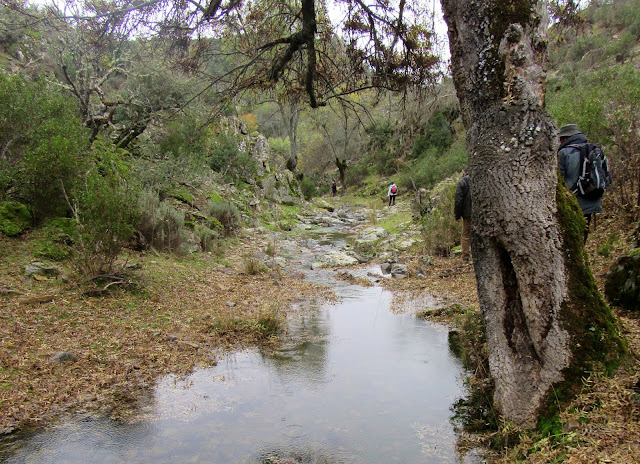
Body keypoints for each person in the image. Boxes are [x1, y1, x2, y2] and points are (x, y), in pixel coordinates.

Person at [557, 123, 602, 243]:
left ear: (565, 138)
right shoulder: (593, 149)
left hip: (573, 202)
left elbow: (557, 180)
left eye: (561, 138)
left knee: (570, 240)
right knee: (582, 238)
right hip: (592, 200)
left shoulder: (564, 153)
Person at [454, 166, 472, 263]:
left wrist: (457, 215)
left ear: (464, 172)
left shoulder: (462, 182)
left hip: (467, 213)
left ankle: (465, 257)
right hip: (481, 213)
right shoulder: (479, 179)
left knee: (466, 235)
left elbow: (458, 200)